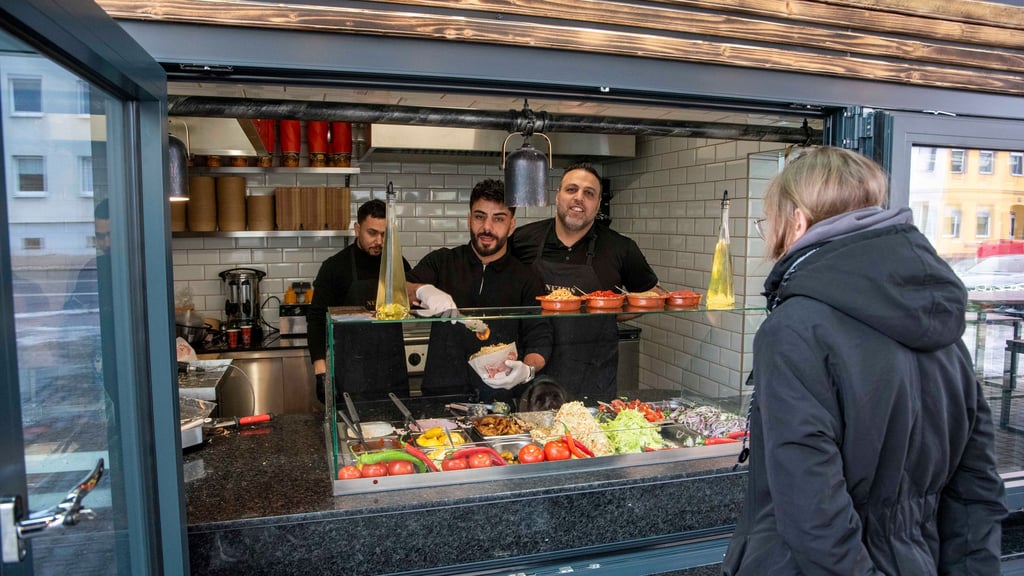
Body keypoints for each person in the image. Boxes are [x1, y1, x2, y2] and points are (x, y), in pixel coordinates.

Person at [722, 147, 1006, 575]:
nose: (770, 236)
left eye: (769, 221)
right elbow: (977, 487)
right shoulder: (941, 322)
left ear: (797, 220)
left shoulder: (795, 328)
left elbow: (812, 511)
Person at [511, 161, 662, 402]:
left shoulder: (620, 247)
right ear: (558, 195)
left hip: (593, 380)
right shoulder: (523, 239)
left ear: (598, 204)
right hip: (531, 377)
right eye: (571, 189)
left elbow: (654, 295)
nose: (579, 198)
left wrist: (608, 309)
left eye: (589, 193)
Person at [407, 178, 552, 403]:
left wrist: (526, 370)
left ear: (512, 225)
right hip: (441, 394)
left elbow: (540, 338)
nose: (487, 227)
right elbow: (399, 290)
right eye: (479, 216)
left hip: (499, 399)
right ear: (469, 219)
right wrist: (422, 290)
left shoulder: (527, 277)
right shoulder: (442, 261)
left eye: (499, 219)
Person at [307, 199, 411, 403]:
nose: (379, 241)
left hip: (392, 370)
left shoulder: (398, 266)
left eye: (384, 234)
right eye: (372, 233)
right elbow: (317, 320)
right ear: (357, 229)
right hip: (352, 372)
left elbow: (413, 305)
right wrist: (320, 372)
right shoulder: (335, 267)